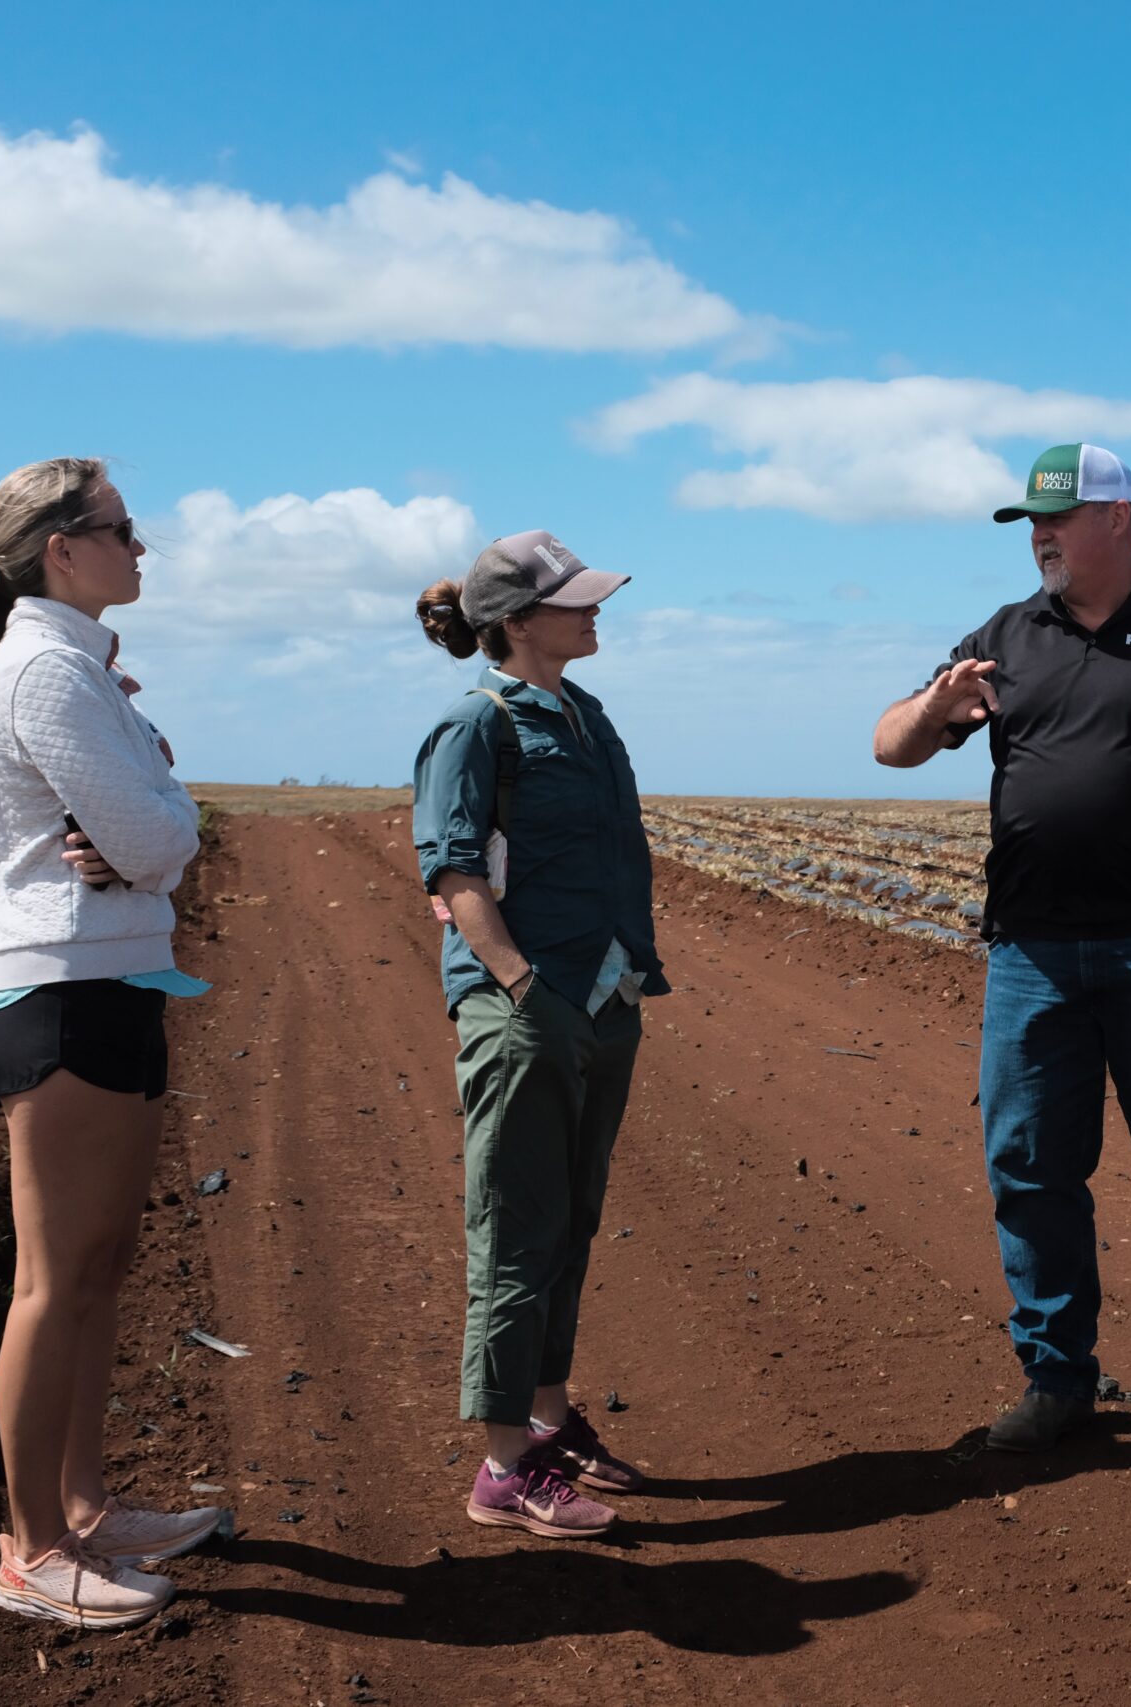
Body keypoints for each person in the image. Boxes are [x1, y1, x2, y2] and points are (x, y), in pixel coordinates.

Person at [871, 443, 1131, 1475]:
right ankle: (1056, 1380)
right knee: (1030, 1169)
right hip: (1032, 958)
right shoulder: (1004, 638)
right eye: (1030, 524)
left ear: (1121, 521)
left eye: (1058, 519)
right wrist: (938, 704)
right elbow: (892, 745)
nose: (1041, 537)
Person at [0, 458, 226, 1628]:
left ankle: (81, 1508)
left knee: (100, 1269)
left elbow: (162, 824)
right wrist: (165, 824)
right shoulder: (47, 676)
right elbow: (155, 829)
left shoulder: (83, 668)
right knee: (54, 1280)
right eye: (124, 530)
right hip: (59, 993)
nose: (141, 548)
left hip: (107, 979)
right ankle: (30, 1553)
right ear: (63, 548)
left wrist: (163, 820)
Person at [412, 531, 666, 1539]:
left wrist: (611, 989)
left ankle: (550, 1421)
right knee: (516, 1233)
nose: (595, 612)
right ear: (518, 621)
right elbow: (455, 869)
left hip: (602, 998)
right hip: (525, 1008)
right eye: (576, 602)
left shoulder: (583, 714)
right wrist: (518, 986)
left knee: (573, 1222)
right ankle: (502, 1467)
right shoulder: (475, 725)